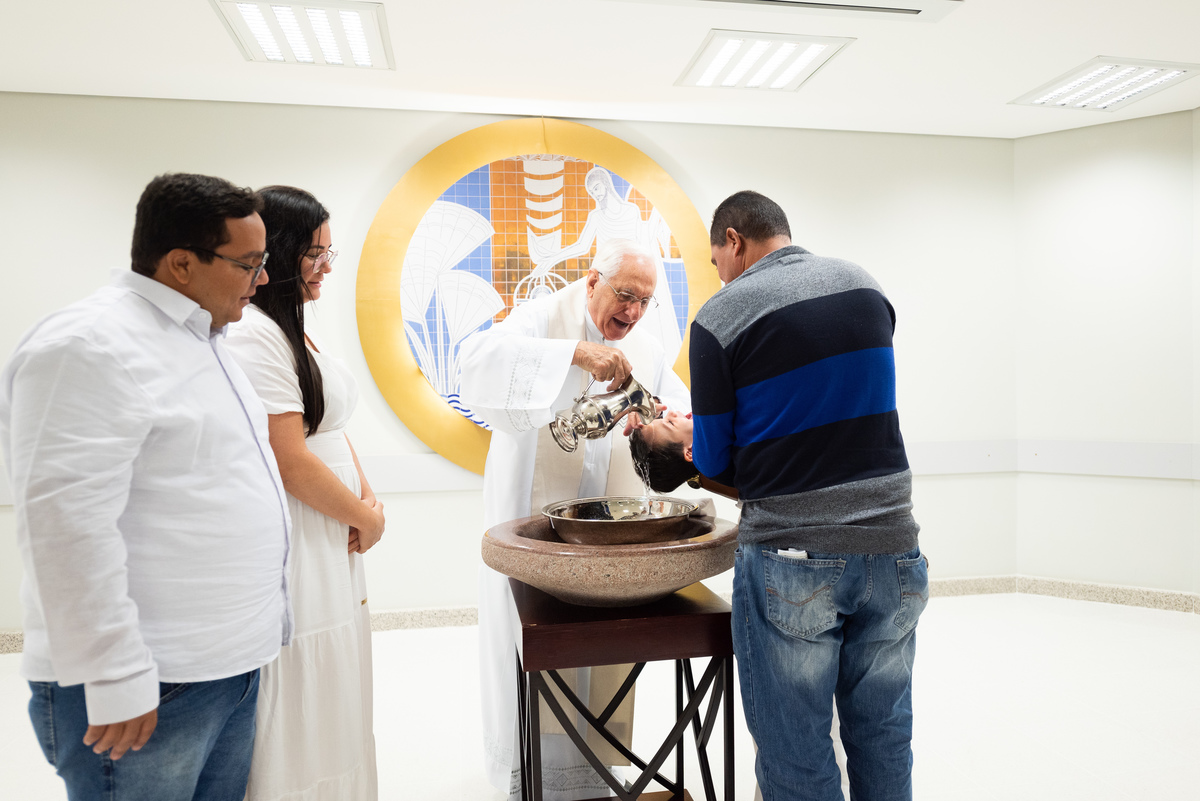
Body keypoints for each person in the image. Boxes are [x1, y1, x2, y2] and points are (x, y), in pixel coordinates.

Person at [0, 173, 291, 801]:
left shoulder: (206, 341)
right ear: (182, 263)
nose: (262, 279)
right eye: (249, 263)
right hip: (148, 682)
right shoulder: (89, 346)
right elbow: (64, 527)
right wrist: (115, 672)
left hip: (225, 665)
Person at [689, 191, 927, 801]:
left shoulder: (720, 317)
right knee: (883, 734)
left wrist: (681, 436)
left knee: (797, 750)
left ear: (734, 241)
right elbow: (836, 401)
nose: (720, 274)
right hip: (896, 550)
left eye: (717, 259)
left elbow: (716, 459)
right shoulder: (865, 286)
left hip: (793, 560)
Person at [457, 238, 690, 800]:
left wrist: (664, 426)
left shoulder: (647, 346)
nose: (632, 312)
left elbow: (675, 413)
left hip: (606, 526)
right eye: (624, 295)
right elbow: (474, 364)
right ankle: (536, 775)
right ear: (592, 282)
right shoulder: (540, 319)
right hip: (537, 516)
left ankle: (594, 771)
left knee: (604, 641)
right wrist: (573, 355)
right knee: (537, 638)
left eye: (644, 301)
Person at [224, 186, 381, 801]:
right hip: (303, 528)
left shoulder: (298, 330)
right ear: (282, 253)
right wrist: (365, 519)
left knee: (339, 670)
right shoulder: (255, 334)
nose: (325, 267)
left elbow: (329, 429)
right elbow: (289, 457)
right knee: (308, 675)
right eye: (315, 253)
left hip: (332, 522)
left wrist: (368, 498)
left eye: (329, 252)